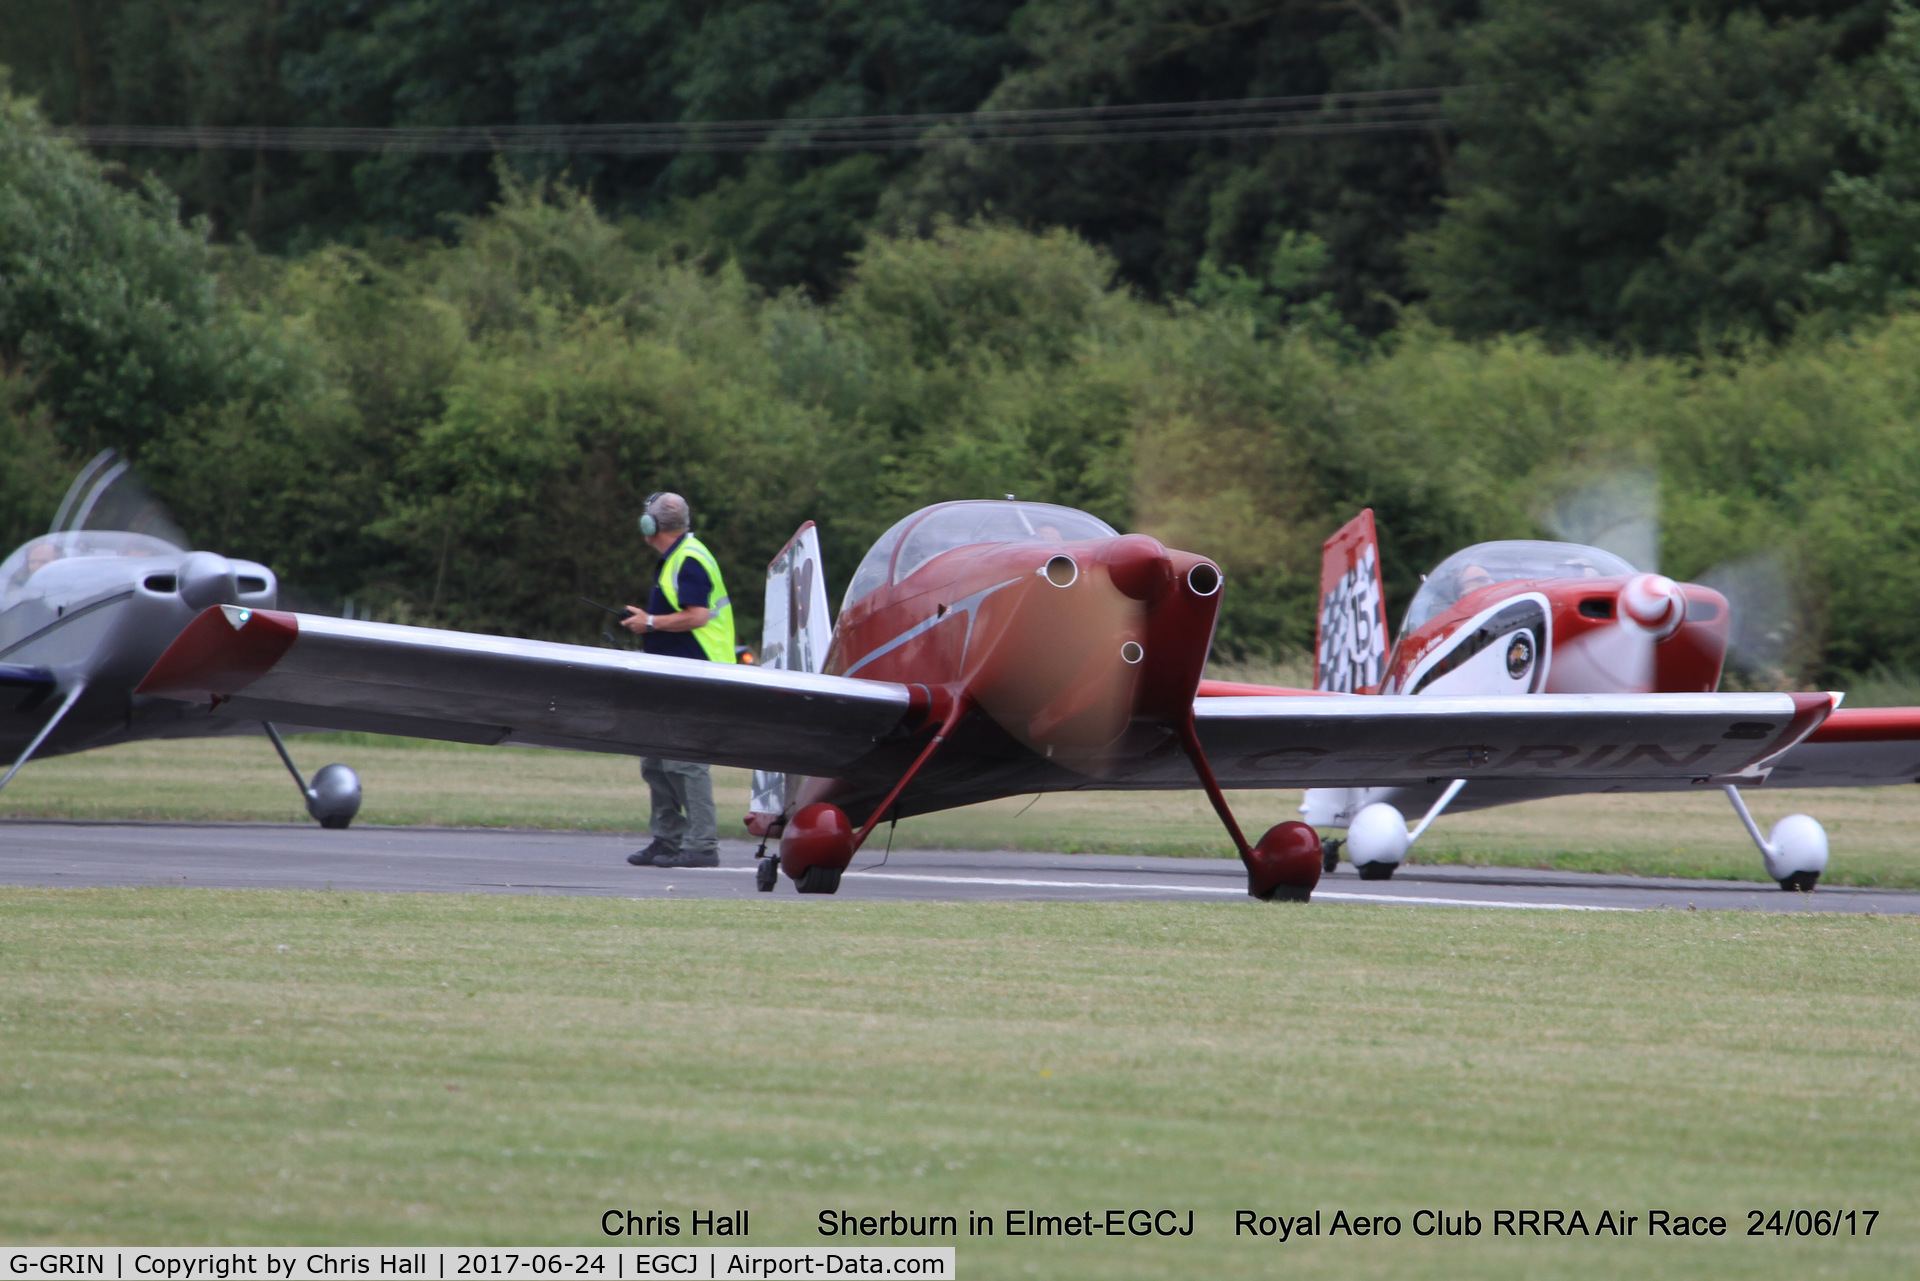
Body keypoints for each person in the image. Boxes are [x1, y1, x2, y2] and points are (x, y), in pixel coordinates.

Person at [620, 492, 737, 869]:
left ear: (651, 526)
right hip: (670, 672)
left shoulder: (689, 558)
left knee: (684, 761)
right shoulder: (676, 557)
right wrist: (648, 620)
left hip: (696, 672)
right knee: (654, 761)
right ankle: (668, 839)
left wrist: (650, 623)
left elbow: (698, 616)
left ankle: (701, 844)